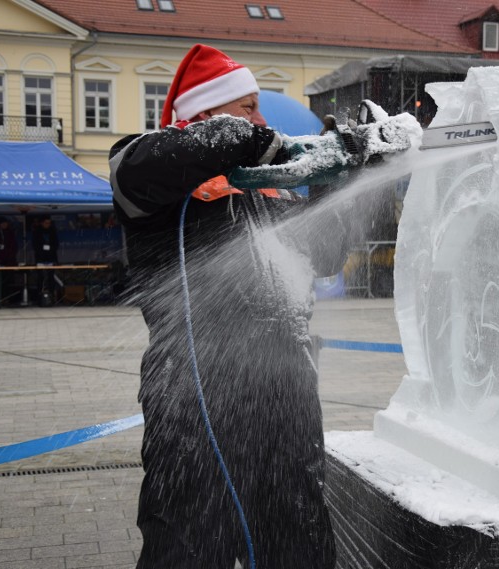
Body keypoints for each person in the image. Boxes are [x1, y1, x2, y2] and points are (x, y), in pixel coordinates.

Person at [109, 44, 414, 568]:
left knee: (297, 526)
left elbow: (322, 256)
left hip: (287, 380)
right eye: (248, 106)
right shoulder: (151, 176)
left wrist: (338, 173)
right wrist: (256, 139)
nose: (262, 118)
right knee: (191, 536)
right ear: (204, 113)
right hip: (199, 385)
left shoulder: (259, 194)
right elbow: (144, 165)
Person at [0, 216, 18, 304]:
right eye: (2, 223)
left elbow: (14, 247)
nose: (4, 225)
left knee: (8, 281)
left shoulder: (10, 233)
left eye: (6, 223)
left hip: (9, 261)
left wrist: (11, 256)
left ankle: (7, 298)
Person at [32, 215, 59, 305]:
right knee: (41, 278)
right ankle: (40, 298)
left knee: (51, 277)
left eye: (49, 223)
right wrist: (42, 250)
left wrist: (50, 249)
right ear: (42, 223)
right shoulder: (37, 232)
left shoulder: (53, 232)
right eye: (46, 223)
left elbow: (56, 245)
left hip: (51, 258)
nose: (48, 225)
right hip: (40, 259)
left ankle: (51, 297)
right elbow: (35, 246)